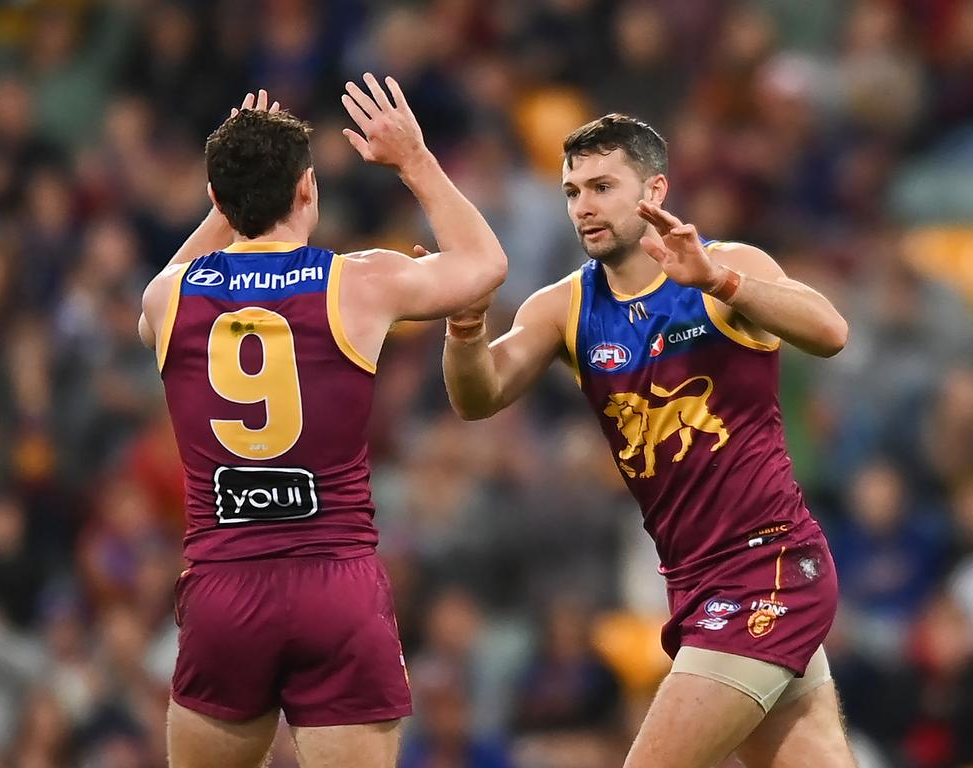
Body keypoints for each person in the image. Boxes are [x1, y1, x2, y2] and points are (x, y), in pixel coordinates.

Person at [440, 113, 855, 768]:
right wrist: (465, 329)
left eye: (603, 186)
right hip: (693, 579)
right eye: (572, 192)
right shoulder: (564, 307)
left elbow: (831, 332)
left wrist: (719, 280)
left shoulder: (724, 266)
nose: (584, 207)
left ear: (654, 193)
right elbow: (477, 396)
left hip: (767, 566)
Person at [138, 77, 507, 768]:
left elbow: (174, 275)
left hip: (225, 587)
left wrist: (235, 185)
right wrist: (415, 161)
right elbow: (485, 265)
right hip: (335, 584)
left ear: (215, 198)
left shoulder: (168, 297)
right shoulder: (357, 281)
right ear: (308, 188)